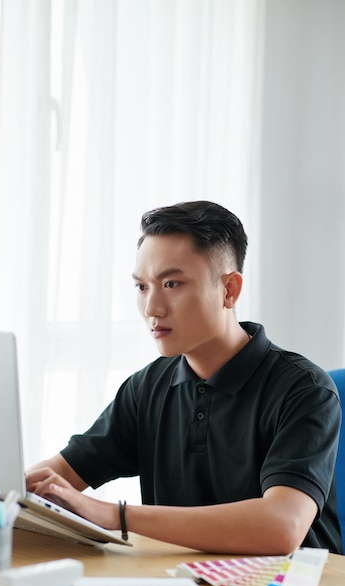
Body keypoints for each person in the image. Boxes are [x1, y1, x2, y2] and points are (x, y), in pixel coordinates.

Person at [26, 200, 342, 555]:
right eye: (142, 287)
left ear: (229, 290)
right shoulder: (146, 387)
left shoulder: (304, 390)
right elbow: (58, 476)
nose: (152, 309)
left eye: (172, 283)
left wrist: (116, 516)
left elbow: (281, 528)